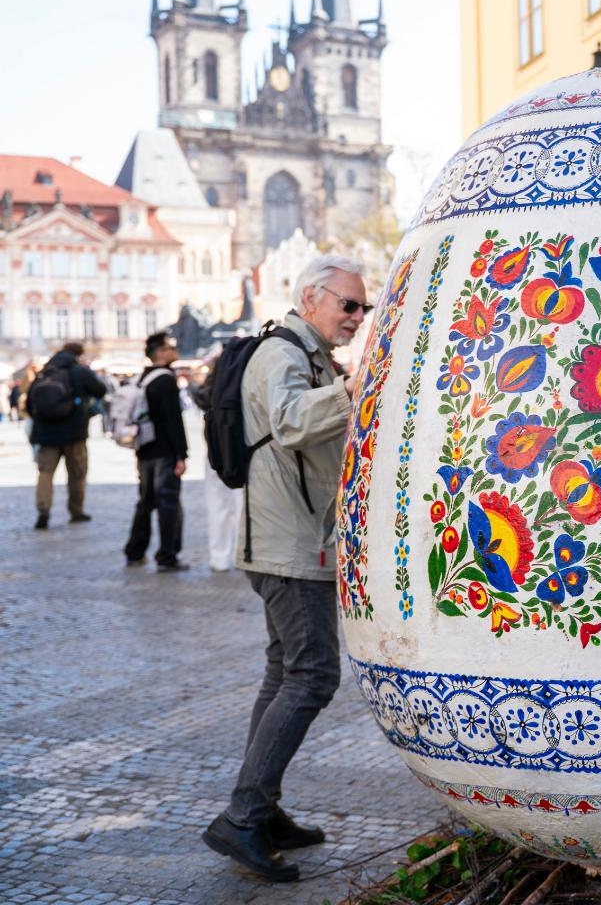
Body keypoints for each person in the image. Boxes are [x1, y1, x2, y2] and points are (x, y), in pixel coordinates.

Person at [203, 254, 370, 883]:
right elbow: (293, 422)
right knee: (312, 675)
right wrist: (349, 391)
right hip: (288, 541)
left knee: (284, 674)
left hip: (297, 536)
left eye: (363, 307)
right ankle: (243, 818)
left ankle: (262, 811)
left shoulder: (312, 355)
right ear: (311, 298)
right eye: (348, 304)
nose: (357, 316)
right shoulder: (283, 353)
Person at [123, 332, 189, 572]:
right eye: (170, 347)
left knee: (146, 501)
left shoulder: (144, 378)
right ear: (160, 352)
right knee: (168, 503)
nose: (175, 350)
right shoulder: (166, 380)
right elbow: (173, 421)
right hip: (164, 451)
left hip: (145, 449)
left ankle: (134, 551)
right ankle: (167, 555)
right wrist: (181, 454)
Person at [26, 342, 107, 530]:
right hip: (74, 432)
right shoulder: (79, 371)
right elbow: (100, 390)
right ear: (78, 354)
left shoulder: (44, 372)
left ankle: (43, 510)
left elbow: (30, 404)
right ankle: (76, 510)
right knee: (77, 473)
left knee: (45, 472)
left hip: (45, 433)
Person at [190, 357, 243, 572]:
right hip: (240, 448)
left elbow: (200, 396)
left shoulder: (215, 381)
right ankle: (241, 553)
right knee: (241, 502)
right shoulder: (243, 375)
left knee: (217, 504)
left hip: (216, 448)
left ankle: (219, 557)